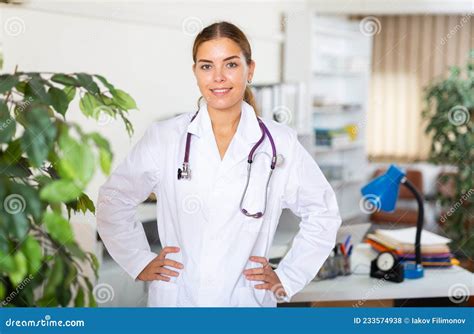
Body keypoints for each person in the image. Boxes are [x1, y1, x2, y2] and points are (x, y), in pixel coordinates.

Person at [96, 21, 341, 307]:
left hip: (245, 301)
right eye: (207, 66)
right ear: (195, 73)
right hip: (177, 300)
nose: (219, 77)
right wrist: (138, 260)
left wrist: (287, 277)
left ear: (250, 70)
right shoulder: (164, 137)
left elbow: (323, 212)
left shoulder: (280, 143)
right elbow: (114, 198)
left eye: (231, 64)